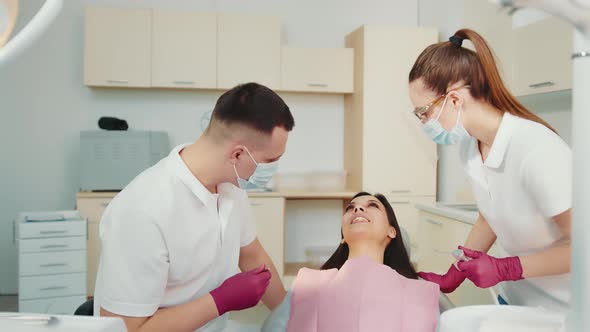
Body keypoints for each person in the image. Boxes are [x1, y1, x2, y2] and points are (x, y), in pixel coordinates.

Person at [93, 83, 295, 331]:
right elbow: (128, 329)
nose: (272, 170)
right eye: (270, 161)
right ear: (238, 155)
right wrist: (219, 301)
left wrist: (292, 316)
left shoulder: (232, 187)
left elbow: (251, 255)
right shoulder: (142, 210)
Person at [408, 29, 571, 311]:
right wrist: (455, 273)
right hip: (517, 300)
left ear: (455, 99)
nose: (423, 123)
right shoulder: (470, 146)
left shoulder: (536, 150)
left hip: (565, 309)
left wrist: (509, 268)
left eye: (423, 112)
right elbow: (489, 215)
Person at [262, 192, 439, 332]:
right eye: (350, 208)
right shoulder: (308, 284)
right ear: (343, 238)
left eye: (372, 206)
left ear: (391, 231)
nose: (358, 210)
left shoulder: (418, 291)